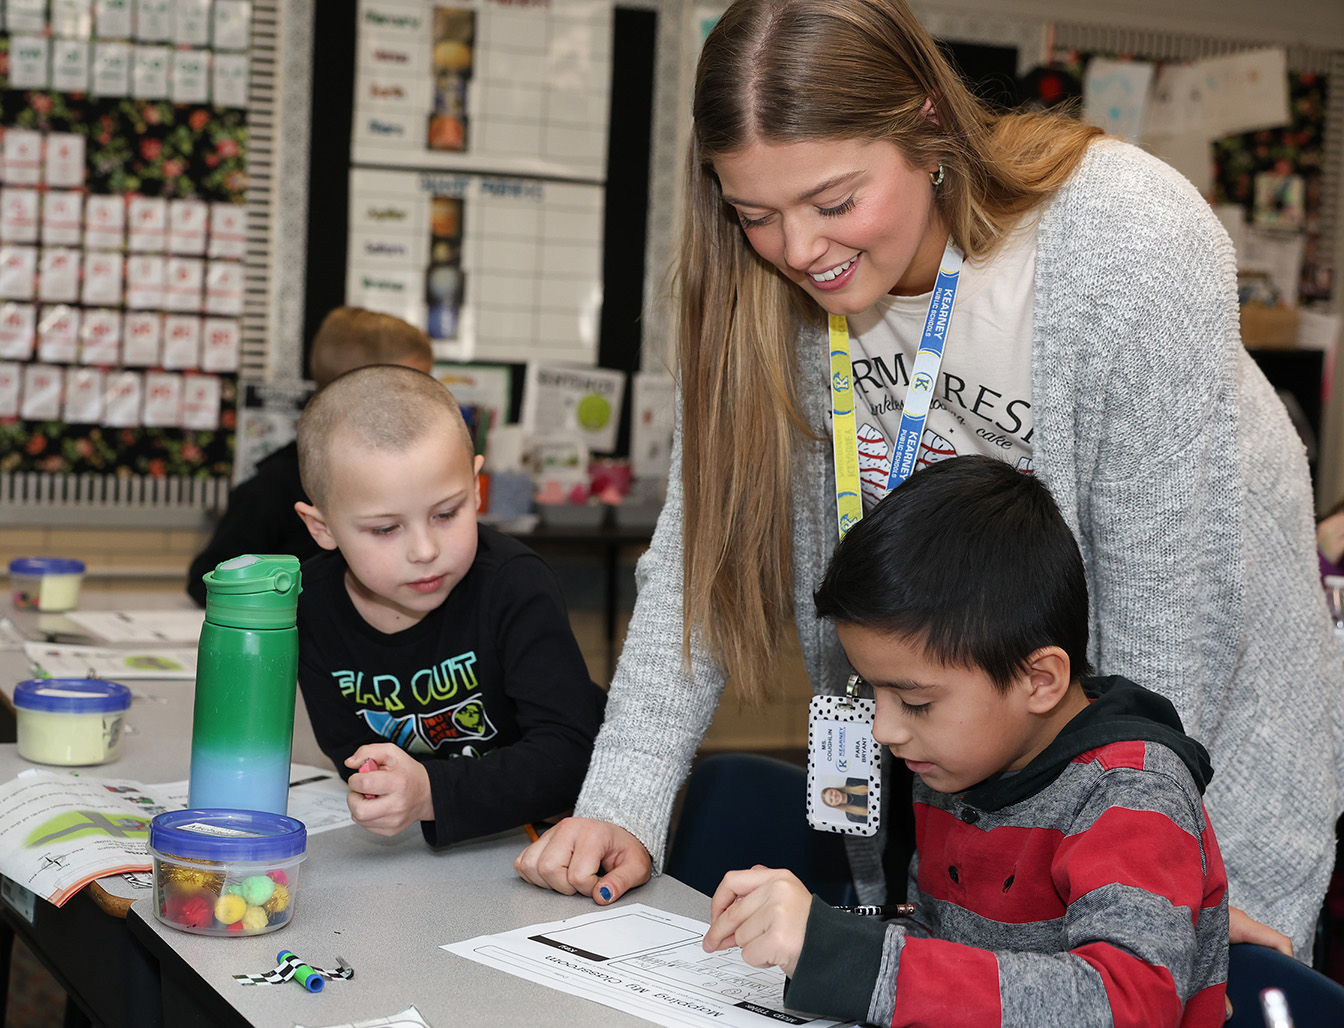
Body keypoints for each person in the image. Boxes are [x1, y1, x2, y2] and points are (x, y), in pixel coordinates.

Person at [515, 0, 1340, 958]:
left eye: (834, 202)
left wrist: (1147, 861)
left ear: (929, 125)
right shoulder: (761, 294)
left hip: (1193, 761)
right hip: (970, 767)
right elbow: (697, 564)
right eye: (755, 214)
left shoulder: (1125, 238)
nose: (798, 250)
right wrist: (623, 803)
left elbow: (1171, 622)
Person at [704, 456, 1229, 1024]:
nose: (884, 730)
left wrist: (855, 961)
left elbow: (1129, 1004)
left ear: (1039, 681)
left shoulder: (1133, 794)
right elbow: (930, 933)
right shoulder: (952, 764)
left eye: (917, 702)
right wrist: (831, 934)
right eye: (871, 690)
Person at [291, 364, 606, 847]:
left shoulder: (515, 585)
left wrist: (431, 793)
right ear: (323, 528)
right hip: (415, 852)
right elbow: (350, 753)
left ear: (476, 488)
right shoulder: (309, 605)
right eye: (384, 529)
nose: (424, 550)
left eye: (447, 513)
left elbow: (571, 751)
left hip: (535, 840)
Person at [186, 307, 435, 605]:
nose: (426, 403)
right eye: (411, 392)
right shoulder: (276, 485)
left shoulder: (415, 475)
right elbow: (207, 580)